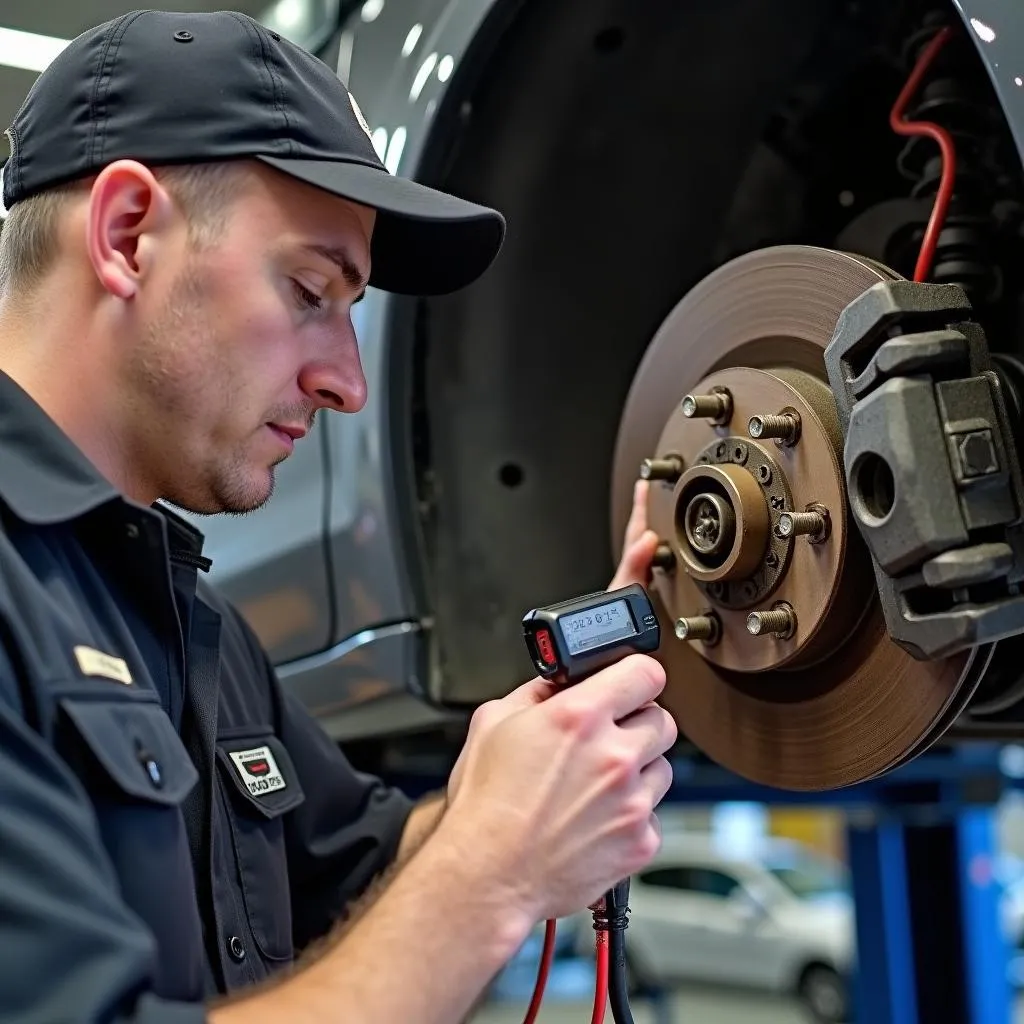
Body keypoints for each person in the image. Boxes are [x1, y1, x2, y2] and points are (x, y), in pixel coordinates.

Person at [0, 10, 676, 1024]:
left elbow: (369, 866)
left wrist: (553, 753)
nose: (348, 383)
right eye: (311, 290)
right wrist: (493, 871)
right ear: (127, 234)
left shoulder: (190, 623)